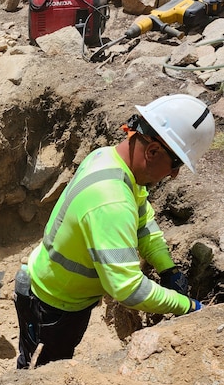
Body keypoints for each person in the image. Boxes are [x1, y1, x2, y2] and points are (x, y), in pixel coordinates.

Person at [14, 94, 215, 369]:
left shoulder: (108, 158)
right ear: (153, 151)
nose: (174, 176)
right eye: (176, 164)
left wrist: (168, 269)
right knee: (43, 372)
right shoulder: (112, 201)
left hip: (50, 285)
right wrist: (189, 307)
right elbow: (128, 289)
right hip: (53, 307)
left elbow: (143, 219)